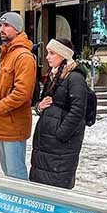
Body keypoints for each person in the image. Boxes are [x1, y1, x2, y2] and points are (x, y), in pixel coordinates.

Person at [29, 38, 88, 189]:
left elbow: (78, 110)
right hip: (46, 144)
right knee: (42, 186)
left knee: (56, 185)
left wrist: (61, 133)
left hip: (61, 146)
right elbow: (43, 101)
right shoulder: (54, 75)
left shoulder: (75, 78)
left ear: (63, 55)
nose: (47, 57)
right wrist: (39, 107)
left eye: (52, 53)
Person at [0, 12, 36, 180]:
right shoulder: (7, 53)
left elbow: (22, 91)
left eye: (6, 26)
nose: (2, 29)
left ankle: (23, 204)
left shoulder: (23, 56)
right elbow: (3, 85)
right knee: (8, 171)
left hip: (13, 123)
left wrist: (0, 106)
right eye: (0, 25)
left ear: (17, 29)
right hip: (5, 122)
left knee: (16, 174)